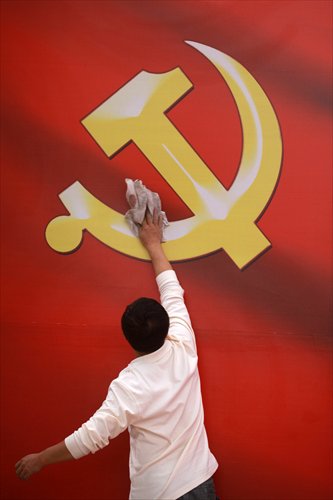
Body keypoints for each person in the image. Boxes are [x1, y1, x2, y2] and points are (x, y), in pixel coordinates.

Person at [15, 210, 218, 499]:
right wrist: (153, 243)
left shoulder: (129, 387)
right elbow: (171, 289)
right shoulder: (183, 343)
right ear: (166, 324)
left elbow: (89, 437)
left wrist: (40, 459)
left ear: (129, 339)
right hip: (201, 485)